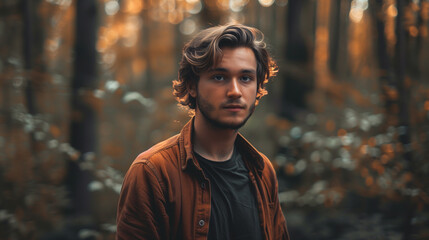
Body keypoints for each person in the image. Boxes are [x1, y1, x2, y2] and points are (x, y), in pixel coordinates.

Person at [116, 23, 290, 240]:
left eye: (246, 78)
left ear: (257, 87)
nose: (235, 91)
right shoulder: (152, 173)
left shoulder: (262, 171)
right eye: (219, 77)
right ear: (191, 85)